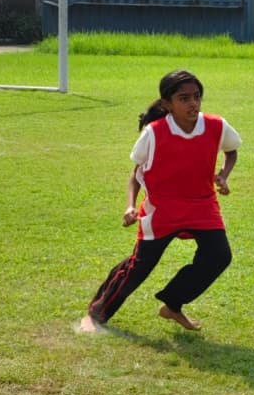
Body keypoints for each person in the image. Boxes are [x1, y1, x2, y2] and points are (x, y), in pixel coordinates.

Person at [79, 70, 240, 333]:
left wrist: (223, 175)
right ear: (167, 104)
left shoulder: (216, 125)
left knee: (219, 256)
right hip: (162, 211)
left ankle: (173, 304)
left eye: (197, 97)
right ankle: (95, 315)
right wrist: (130, 206)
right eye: (184, 98)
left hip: (203, 206)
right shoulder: (154, 133)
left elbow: (231, 150)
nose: (193, 104)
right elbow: (136, 173)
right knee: (139, 268)